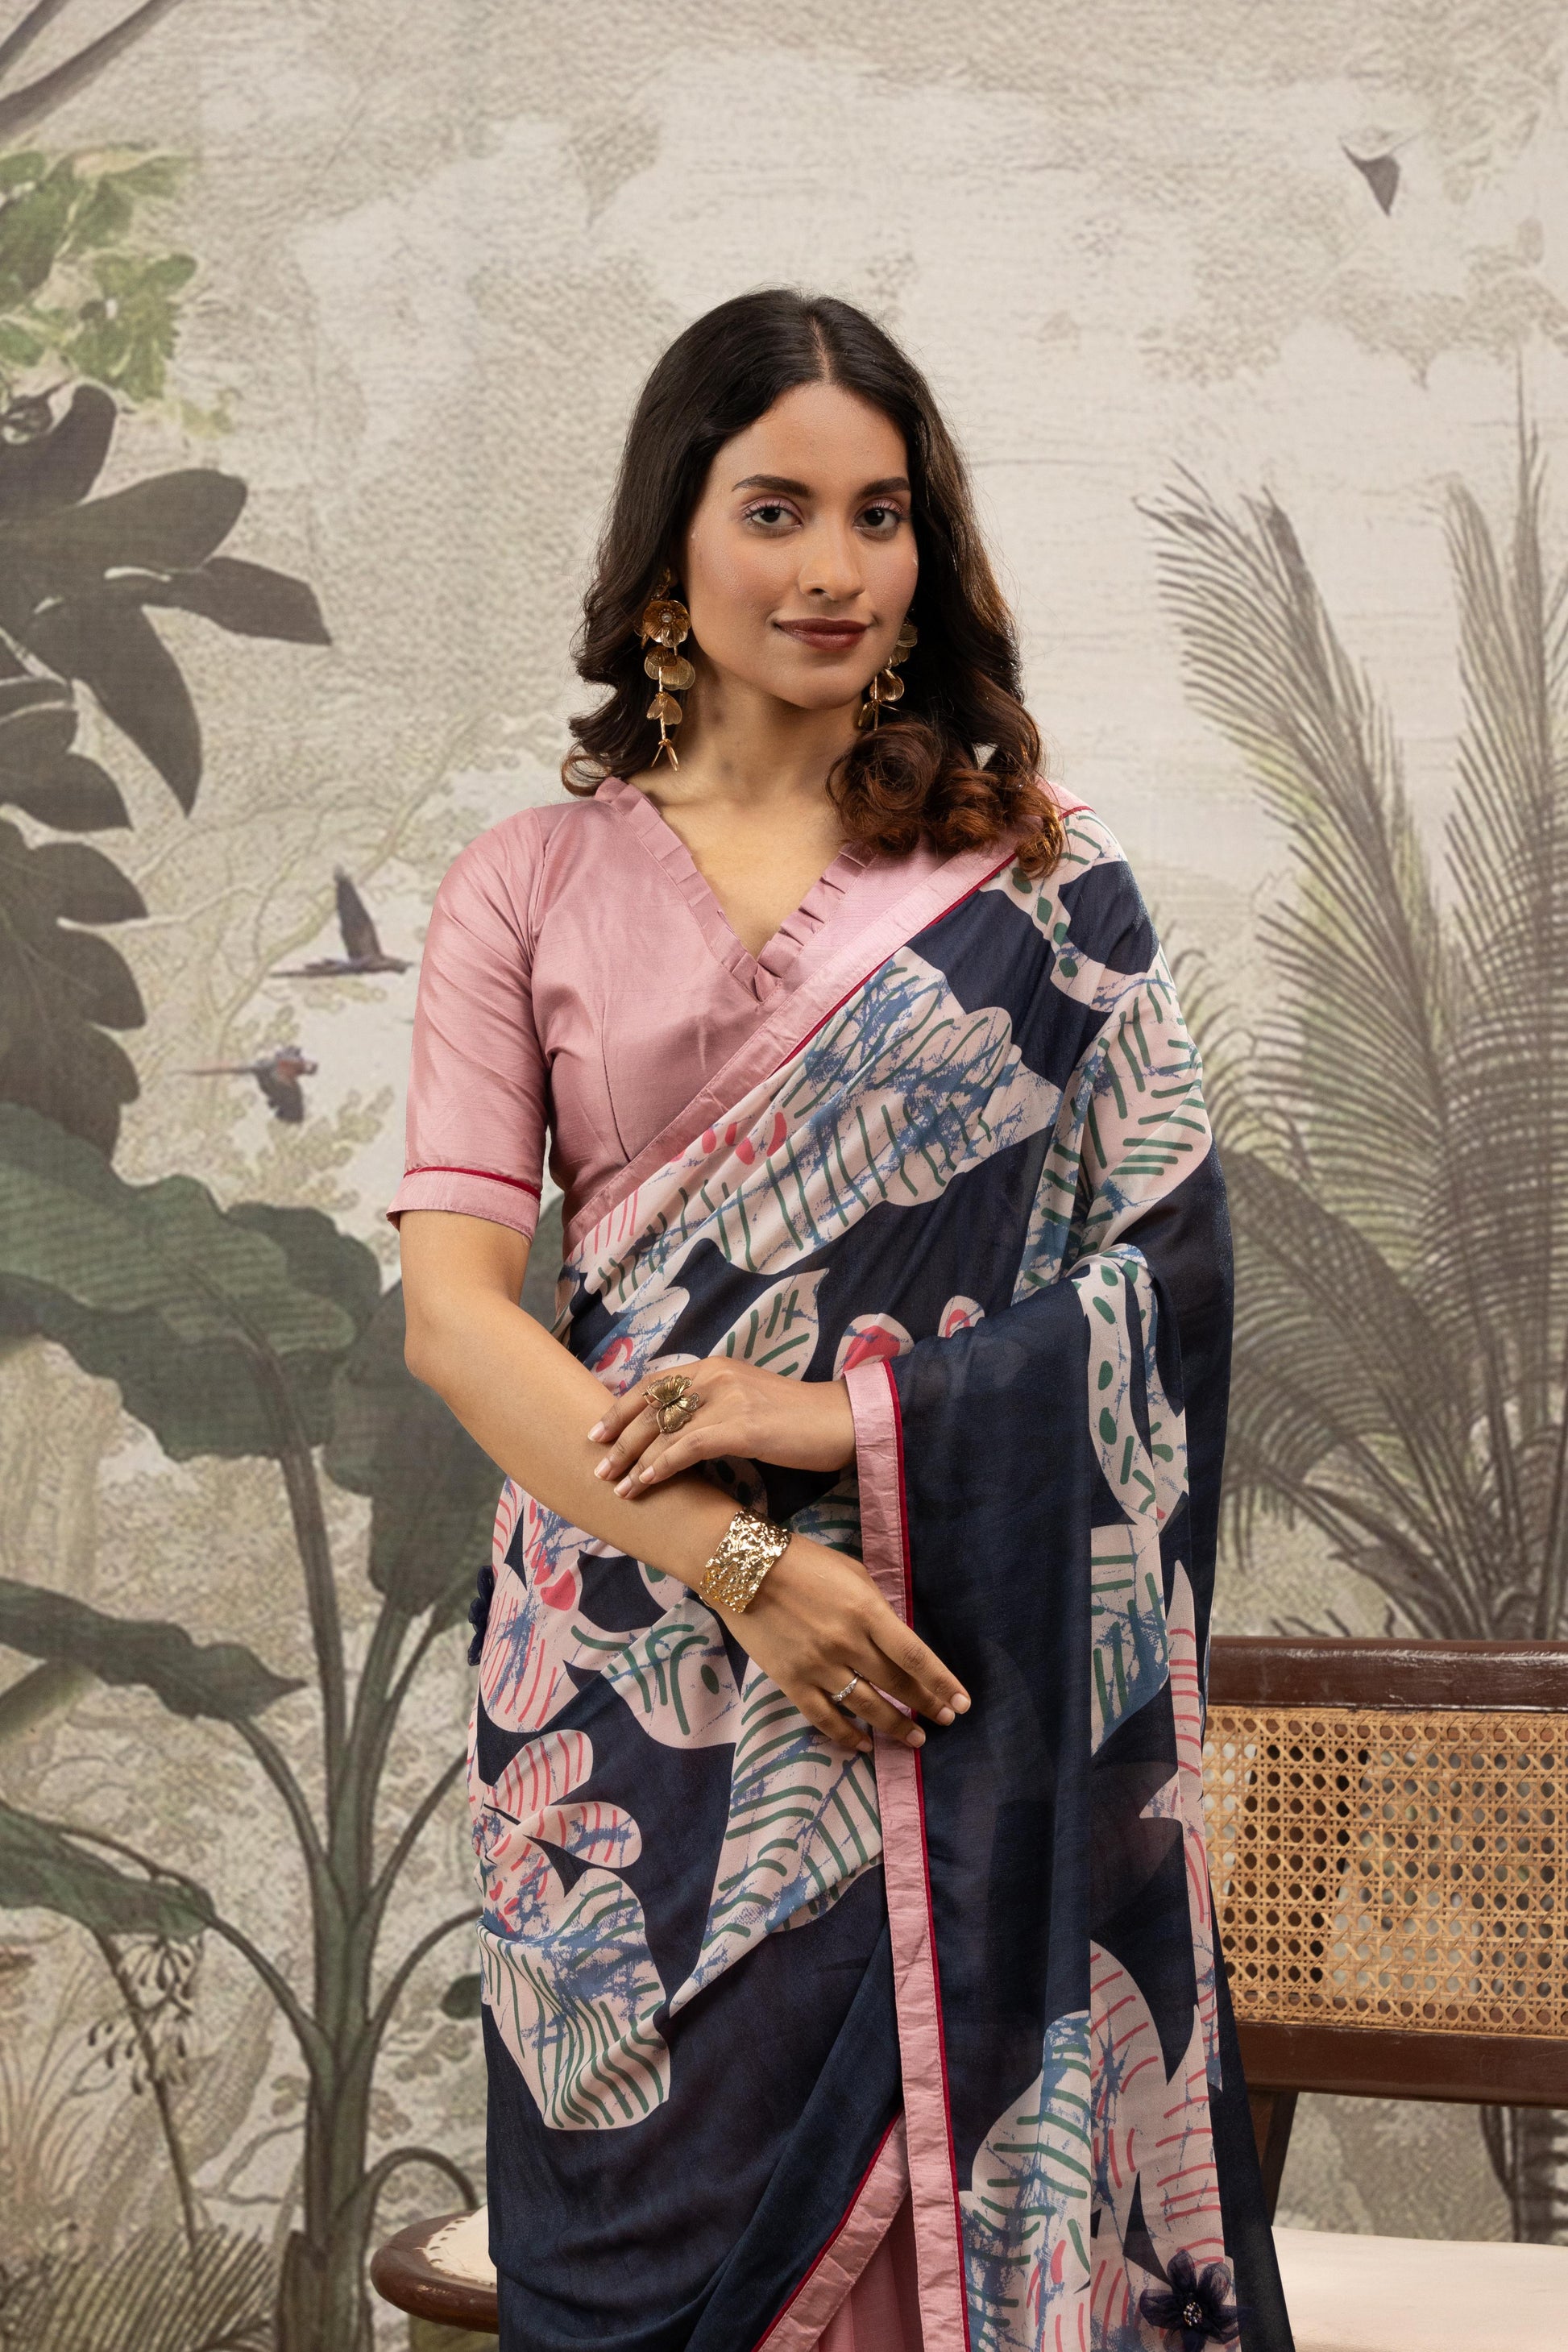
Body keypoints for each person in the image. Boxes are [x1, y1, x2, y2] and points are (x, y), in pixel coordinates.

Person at [391, 290, 1291, 2352]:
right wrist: (742, 1559)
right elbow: (456, 1320)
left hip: (937, 1663)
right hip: (623, 1698)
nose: (831, 566)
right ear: (670, 552)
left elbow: (1168, 1285)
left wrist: (834, 1426)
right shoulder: (523, 884)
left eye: (878, 515)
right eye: (774, 508)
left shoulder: (1044, 886)